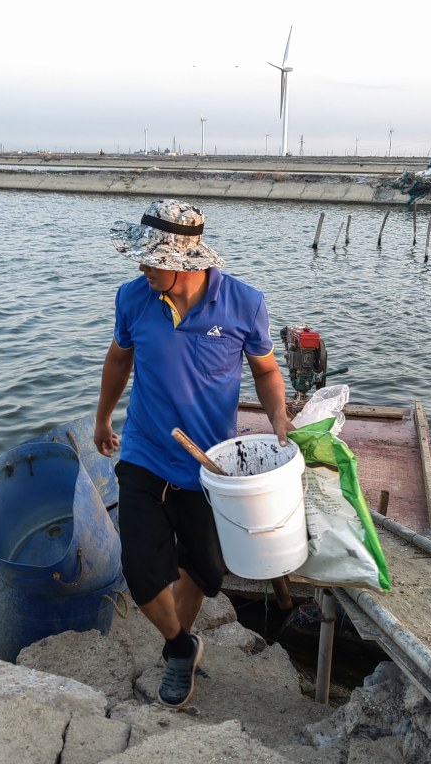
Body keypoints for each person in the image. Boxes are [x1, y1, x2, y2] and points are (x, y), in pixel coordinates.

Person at [94, 198, 293, 709]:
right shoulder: (133, 298)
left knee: (205, 570)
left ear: (184, 260)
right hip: (144, 451)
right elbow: (118, 362)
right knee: (140, 569)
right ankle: (180, 648)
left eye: (150, 258)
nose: (140, 266)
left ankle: (179, 643)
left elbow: (267, 371)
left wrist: (278, 417)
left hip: (211, 465)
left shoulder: (244, 303)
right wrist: (103, 419)